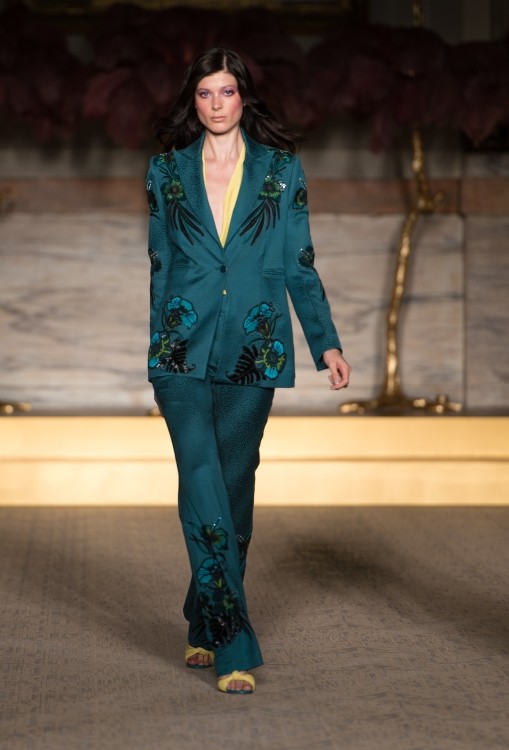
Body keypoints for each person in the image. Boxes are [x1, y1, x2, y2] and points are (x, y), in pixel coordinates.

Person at [145, 47, 351, 695]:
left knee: (232, 495)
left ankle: (200, 618)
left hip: (253, 348)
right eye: (204, 93)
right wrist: (157, 349)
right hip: (181, 350)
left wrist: (325, 344)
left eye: (226, 92)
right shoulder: (165, 171)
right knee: (202, 479)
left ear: (243, 97)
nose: (215, 104)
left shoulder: (281, 171)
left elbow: (299, 263)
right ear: (193, 100)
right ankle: (233, 643)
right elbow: (160, 265)